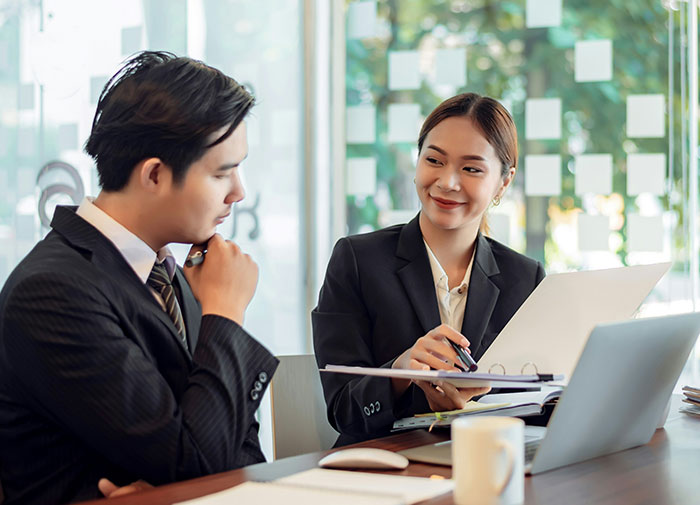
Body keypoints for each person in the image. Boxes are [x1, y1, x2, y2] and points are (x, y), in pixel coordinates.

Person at [0, 51, 278, 505]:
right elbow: (198, 462)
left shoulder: (176, 274)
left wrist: (179, 481)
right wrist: (225, 312)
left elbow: (234, 451)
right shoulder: (53, 291)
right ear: (154, 174)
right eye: (222, 173)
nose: (238, 192)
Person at [313, 93, 545, 446]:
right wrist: (399, 371)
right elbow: (342, 410)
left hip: (489, 465)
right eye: (434, 160)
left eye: (471, 169)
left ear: (504, 181)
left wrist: (471, 410)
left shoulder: (525, 279)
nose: (447, 182)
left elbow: (541, 408)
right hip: (383, 471)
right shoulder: (357, 261)